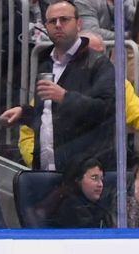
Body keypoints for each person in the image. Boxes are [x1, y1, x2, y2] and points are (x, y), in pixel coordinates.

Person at [1, 1, 116, 173]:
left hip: (83, 174)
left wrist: (64, 97)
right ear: (46, 26)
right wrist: (25, 113)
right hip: (46, 169)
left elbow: (106, 112)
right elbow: (50, 116)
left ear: (78, 24)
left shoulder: (99, 64)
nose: (58, 25)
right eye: (52, 21)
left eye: (64, 19)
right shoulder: (45, 64)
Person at [17, 30, 139, 168]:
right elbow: (29, 133)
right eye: (88, 53)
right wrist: (41, 163)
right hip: (60, 168)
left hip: (98, 170)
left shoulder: (117, 84)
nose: (94, 59)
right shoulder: (53, 83)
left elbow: (136, 114)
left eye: (100, 54)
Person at [47, 157, 114, 228]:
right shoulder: (71, 208)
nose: (100, 184)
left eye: (101, 179)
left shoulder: (103, 206)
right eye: (94, 178)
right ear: (78, 180)